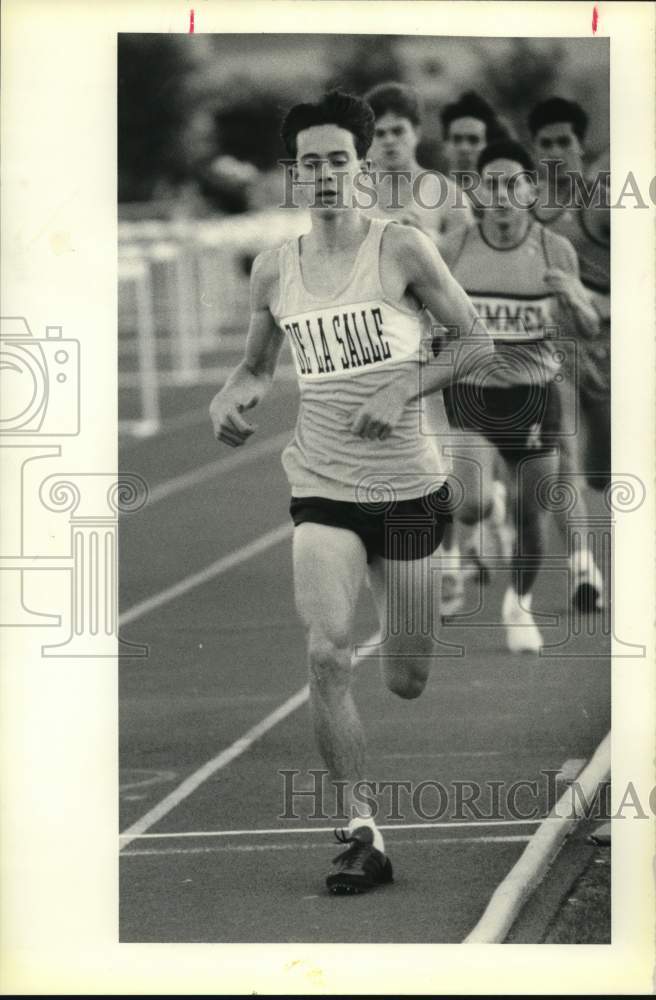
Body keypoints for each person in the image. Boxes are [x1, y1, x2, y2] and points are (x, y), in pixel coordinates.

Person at [209, 91, 493, 893]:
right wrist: (230, 395)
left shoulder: (401, 250)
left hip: (407, 490)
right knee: (327, 652)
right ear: (292, 174)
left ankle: (434, 589)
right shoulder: (274, 267)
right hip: (322, 485)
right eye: (311, 163)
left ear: (361, 167)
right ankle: (361, 825)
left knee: (406, 677)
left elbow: (473, 343)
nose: (326, 174)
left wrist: (403, 387)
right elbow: (258, 366)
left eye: (340, 160)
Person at [439, 139, 600, 652]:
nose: (503, 194)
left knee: (534, 515)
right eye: (493, 184)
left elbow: (588, 327)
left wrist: (574, 296)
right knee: (467, 505)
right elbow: (420, 307)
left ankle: (519, 604)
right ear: (478, 190)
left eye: (514, 183)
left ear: (531, 189)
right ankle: (489, 508)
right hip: (473, 391)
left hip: (533, 395)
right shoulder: (455, 246)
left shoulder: (555, 250)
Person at [528, 97, 609, 609]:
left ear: (581, 145)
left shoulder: (602, 206)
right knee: (565, 459)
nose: (556, 151)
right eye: (546, 143)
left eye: (565, 141)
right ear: (534, 150)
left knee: (604, 466)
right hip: (552, 350)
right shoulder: (524, 209)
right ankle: (584, 567)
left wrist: (592, 300)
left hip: (610, 346)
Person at [363, 82, 472, 245]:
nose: (389, 141)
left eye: (398, 131)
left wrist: (426, 240)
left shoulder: (448, 194)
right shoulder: (352, 193)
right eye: (380, 133)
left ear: (416, 132)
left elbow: (467, 259)